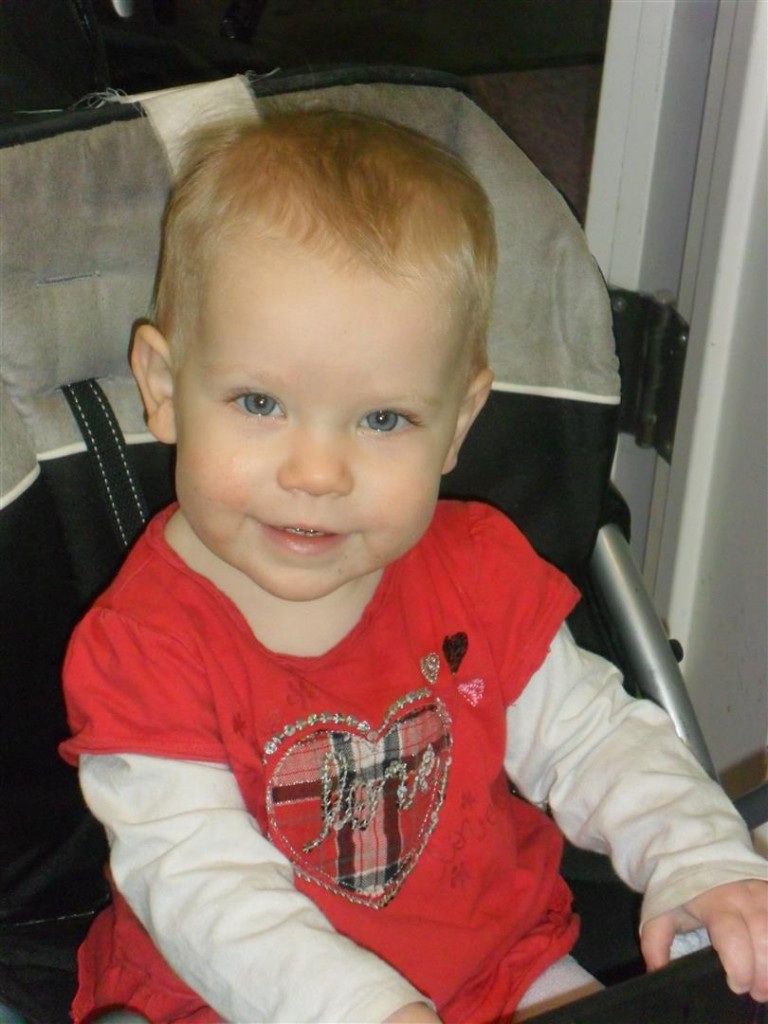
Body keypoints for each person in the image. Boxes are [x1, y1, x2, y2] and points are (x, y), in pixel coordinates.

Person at [60, 109, 767, 1024]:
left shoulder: (475, 571)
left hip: (496, 965)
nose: (317, 473)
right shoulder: (142, 647)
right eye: (259, 402)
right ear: (163, 390)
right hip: (233, 996)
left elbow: (595, 740)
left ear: (458, 424)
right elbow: (199, 882)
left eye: (383, 419)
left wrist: (700, 855)